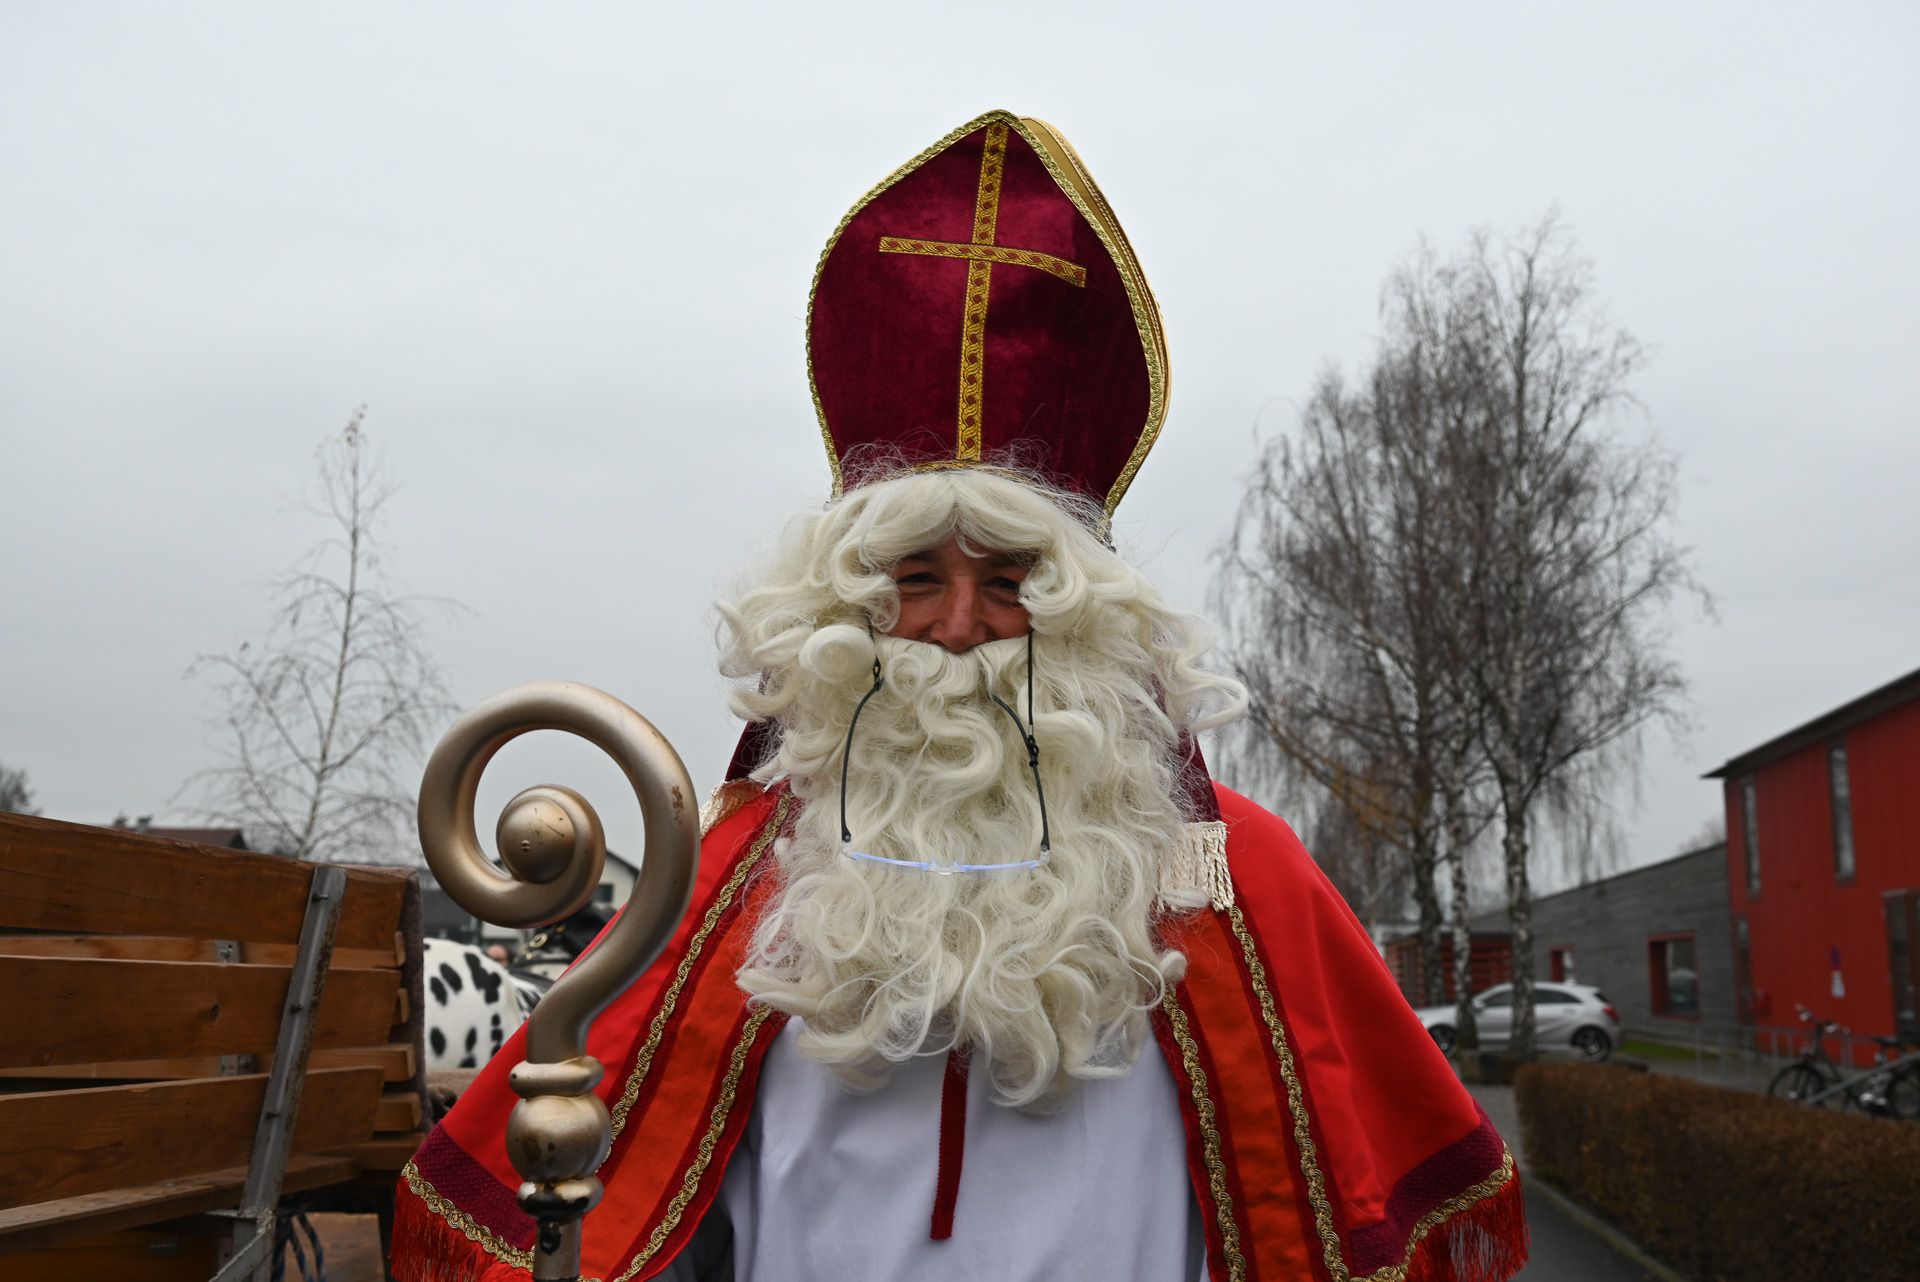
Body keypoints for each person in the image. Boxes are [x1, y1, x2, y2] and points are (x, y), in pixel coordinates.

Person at [392, 110, 1526, 1282]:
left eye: (1011, 581)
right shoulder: (736, 880)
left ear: (1085, 611)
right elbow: (628, 1216)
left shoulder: (1247, 880)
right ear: (842, 611)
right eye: (914, 580)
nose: (958, 626)